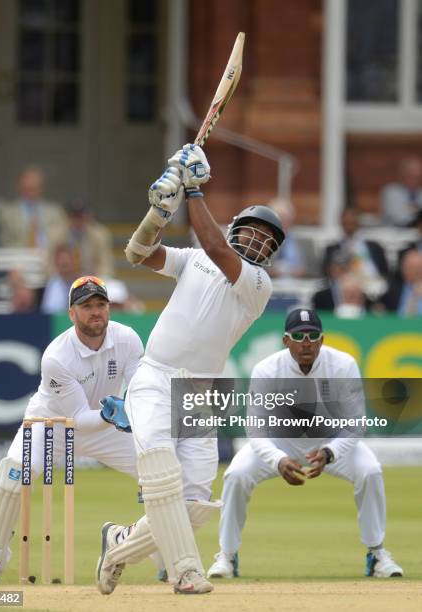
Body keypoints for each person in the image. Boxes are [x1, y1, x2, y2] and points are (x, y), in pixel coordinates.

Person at [95, 144, 285, 596]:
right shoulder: (194, 259)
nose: (258, 240)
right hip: (157, 376)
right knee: (160, 468)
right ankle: (185, 572)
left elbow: (218, 247)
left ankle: (118, 544)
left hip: (203, 389)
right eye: (253, 231)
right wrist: (159, 212)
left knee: (196, 504)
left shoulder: (257, 283)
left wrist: (193, 189)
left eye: (268, 239)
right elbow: (139, 252)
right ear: (239, 227)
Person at [207, 308, 403, 580]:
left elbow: (356, 424)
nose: (306, 342)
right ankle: (227, 555)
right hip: (279, 441)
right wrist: (277, 459)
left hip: (329, 441)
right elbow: (256, 428)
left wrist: (330, 452)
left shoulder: (343, 365)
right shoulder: (267, 369)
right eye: (299, 336)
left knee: (370, 471)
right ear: (286, 341)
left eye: (313, 336)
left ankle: (377, 553)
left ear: (322, 339)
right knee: (236, 475)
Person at [0, 276, 144, 585]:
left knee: (157, 472)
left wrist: (133, 410)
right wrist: (115, 412)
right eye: (87, 306)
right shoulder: (56, 356)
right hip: (49, 426)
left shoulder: (128, 338)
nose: (96, 312)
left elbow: (139, 390)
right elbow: (77, 417)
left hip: (106, 427)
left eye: (101, 305)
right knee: (12, 476)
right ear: (72, 313)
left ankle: (158, 554)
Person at [322, 208, 388, 299]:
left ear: (358, 223)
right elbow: (327, 274)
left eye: (352, 223)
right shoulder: (332, 249)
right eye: (347, 223)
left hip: (373, 289)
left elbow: (385, 272)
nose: (349, 226)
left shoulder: (374, 247)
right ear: (341, 223)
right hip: (345, 290)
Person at [0, 166, 66, 249]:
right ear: (20, 188)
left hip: (48, 257)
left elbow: (60, 241)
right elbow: (5, 242)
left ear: (41, 188)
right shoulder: (8, 213)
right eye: (27, 188)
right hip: (19, 257)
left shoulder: (55, 212)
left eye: (34, 189)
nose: (30, 193)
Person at [380, 156, 422, 227]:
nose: (415, 180)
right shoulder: (391, 191)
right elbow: (399, 218)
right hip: (393, 234)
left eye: (418, 177)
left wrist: (412, 210)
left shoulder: (420, 191)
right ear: (402, 175)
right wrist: (417, 212)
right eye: (411, 176)